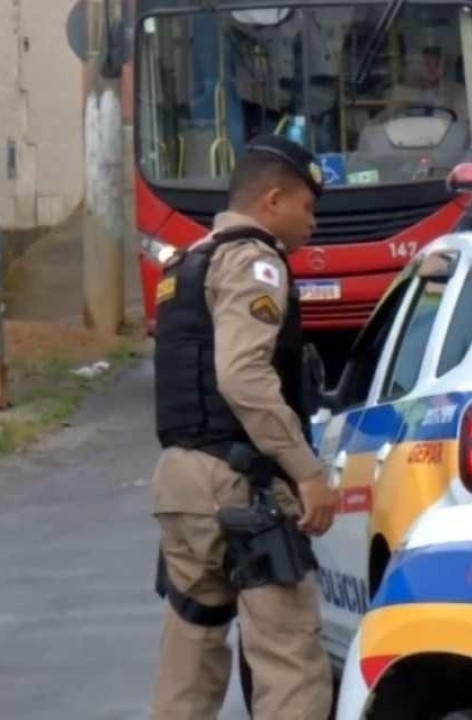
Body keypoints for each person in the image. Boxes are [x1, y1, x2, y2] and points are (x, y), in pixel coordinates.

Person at [149, 134, 340, 718]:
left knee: (192, 644)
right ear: (274, 200)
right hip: (243, 487)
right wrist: (307, 473)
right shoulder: (254, 263)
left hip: (181, 483)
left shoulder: (188, 261)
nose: (312, 225)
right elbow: (243, 376)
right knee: (289, 657)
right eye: (308, 208)